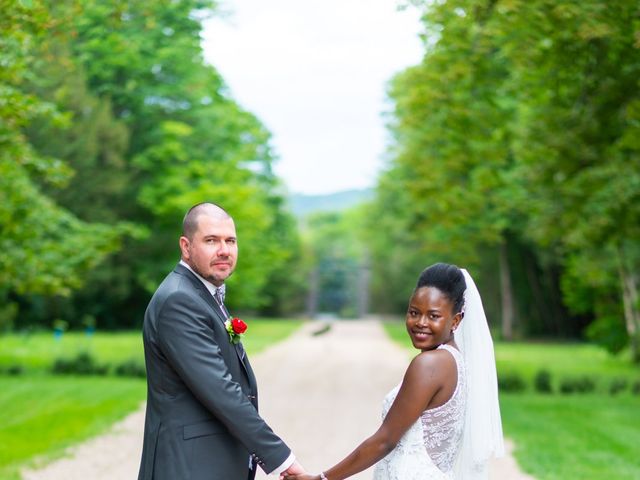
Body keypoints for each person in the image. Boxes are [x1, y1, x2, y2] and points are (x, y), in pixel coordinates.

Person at [285, 263, 504, 480]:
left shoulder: (430, 364)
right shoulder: (453, 360)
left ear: (455, 321)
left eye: (433, 316)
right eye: (414, 312)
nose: (420, 323)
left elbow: (386, 439)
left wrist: (321, 479)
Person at [138, 202, 304, 480]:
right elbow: (221, 390)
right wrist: (282, 460)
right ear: (186, 246)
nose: (224, 250)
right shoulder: (179, 300)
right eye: (211, 240)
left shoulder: (202, 295)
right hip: (188, 467)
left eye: (230, 240)